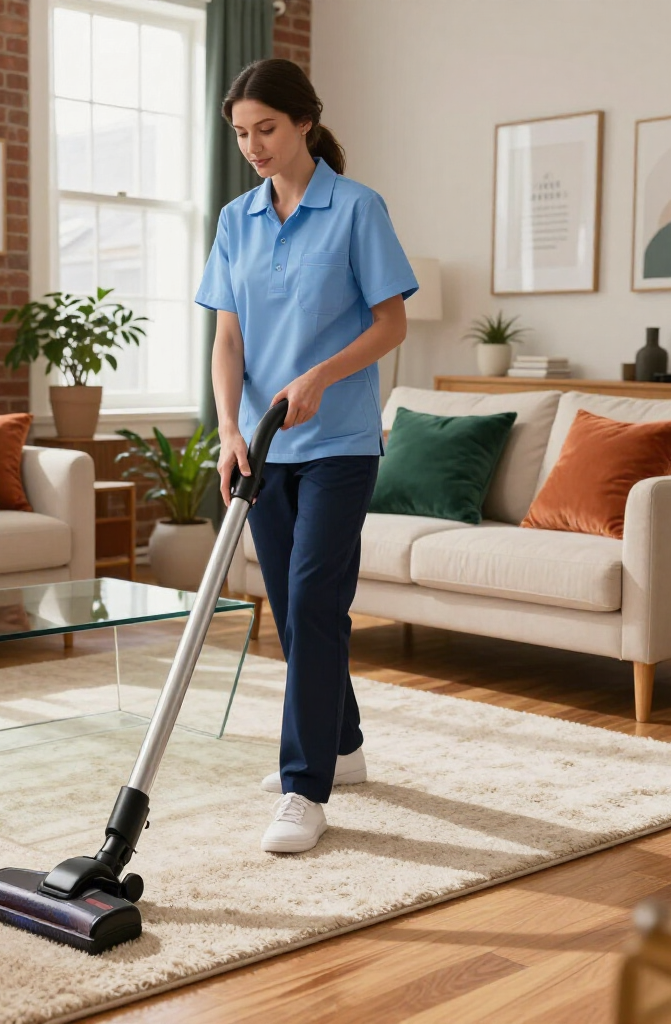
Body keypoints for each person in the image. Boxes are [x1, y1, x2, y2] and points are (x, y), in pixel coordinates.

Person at [194, 59, 418, 854]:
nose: (253, 145)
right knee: (293, 612)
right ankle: (344, 745)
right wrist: (227, 429)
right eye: (242, 133)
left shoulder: (357, 209)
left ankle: (303, 786)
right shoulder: (235, 220)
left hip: (340, 443)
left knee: (317, 603)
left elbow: (391, 325)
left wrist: (324, 372)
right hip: (262, 444)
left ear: (305, 125)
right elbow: (228, 336)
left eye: (267, 129)